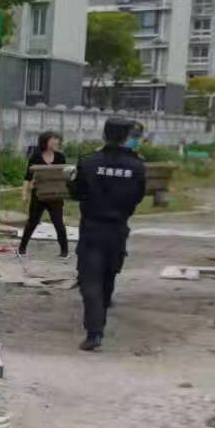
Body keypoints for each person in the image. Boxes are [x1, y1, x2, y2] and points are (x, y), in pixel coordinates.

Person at [67, 117, 146, 352]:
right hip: (118, 229)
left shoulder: (88, 162)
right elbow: (138, 197)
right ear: (127, 137)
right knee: (109, 273)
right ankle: (103, 309)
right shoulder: (137, 166)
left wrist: (69, 181)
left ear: (104, 135)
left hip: (92, 228)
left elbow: (77, 193)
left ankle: (94, 333)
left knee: (90, 280)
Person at [18, 130, 70, 259]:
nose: (56, 142)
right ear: (46, 141)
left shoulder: (60, 157)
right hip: (38, 196)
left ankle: (64, 252)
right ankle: (21, 249)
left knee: (58, 223)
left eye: (57, 139)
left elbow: (65, 176)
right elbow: (27, 177)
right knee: (32, 222)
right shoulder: (36, 157)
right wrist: (24, 194)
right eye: (53, 139)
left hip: (55, 196)